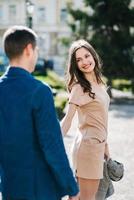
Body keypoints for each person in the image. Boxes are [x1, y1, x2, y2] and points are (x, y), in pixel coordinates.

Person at [0, 25, 79, 200]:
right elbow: (52, 144)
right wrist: (71, 187)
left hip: (10, 186)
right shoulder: (39, 90)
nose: (37, 55)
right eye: (36, 50)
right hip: (40, 189)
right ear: (29, 49)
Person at [61, 39, 110, 200]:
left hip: (96, 147)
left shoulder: (100, 85)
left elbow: (100, 120)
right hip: (88, 149)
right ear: (75, 65)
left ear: (94, 56)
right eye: (78, 60)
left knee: (78, 198)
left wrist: (106, 149)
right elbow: (67, 120)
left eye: (87, 56)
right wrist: (50, 143)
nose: (84, 62)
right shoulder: (79, 87)